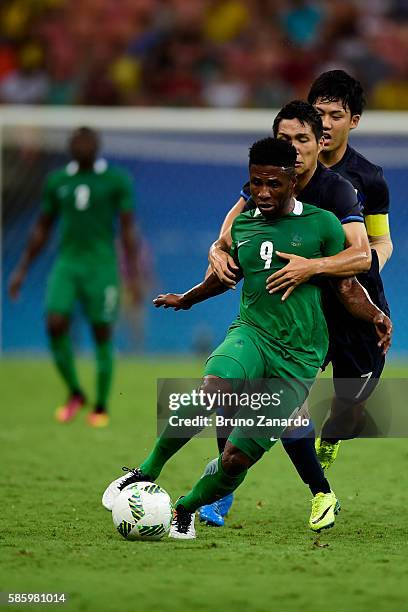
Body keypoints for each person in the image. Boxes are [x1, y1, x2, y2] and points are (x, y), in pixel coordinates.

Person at [102, 138, 391, 539]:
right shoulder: (244, 223)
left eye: (273, 183)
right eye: (255, 183)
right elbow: (226, 276)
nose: (263, 193)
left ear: (293, 180)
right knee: (213, 391)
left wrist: (375, 315)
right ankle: (145, 471)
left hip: (300, 356)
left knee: (236, 457)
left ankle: (184, 509)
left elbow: (346, 287)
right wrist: (188, 298)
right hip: (251, 334)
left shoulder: (323, 223)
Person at [203, 100, 371, 526]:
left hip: (323, 316)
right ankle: (229, 490)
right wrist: (216, 253)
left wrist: (310, 266)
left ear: (319, 144)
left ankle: (316, 482)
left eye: (302, 139)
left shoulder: (337, 191)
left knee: (287, 409)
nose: (293, 148)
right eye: (285, 139)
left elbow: (361, 257)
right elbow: (227, 237)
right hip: (271, 317)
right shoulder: (266, 181)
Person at [8, 127, 140, 427]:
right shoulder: (57, 181)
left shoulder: (116, 180)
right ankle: (75, 392)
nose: (82, 146)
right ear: (69, 147)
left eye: (87, 142)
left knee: (101, 332)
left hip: (102, 265)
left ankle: (101, 405)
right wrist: (22, 269)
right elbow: (42, 226)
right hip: (67, 264)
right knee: (55, 323)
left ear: (97, 147)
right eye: (77, 142)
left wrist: (132, 275)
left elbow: (128, 228)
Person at [305, 70, 392, 466]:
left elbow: (381, 241)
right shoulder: (288, 171)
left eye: (335, 114)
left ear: (353, 120)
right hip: (307, 302)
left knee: (348, 408)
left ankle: (334, 435)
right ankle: (222, 487)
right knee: (276, 395)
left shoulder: (369, 178)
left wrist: (362, 265)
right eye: (318, 112)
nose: (324, 122)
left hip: (357, 303)